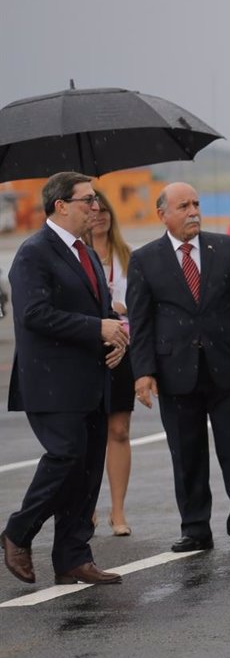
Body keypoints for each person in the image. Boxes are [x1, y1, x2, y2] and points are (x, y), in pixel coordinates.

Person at [128, 183, 230, 553]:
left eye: (196, 204)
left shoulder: (226, 249)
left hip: (226, 366)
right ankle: (195, 527)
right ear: (163, 214)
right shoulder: (146, 259)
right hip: (175, 372)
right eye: (183, 206)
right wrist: (142, 372)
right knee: (186, 453)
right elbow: (141, 321)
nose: (193, 211)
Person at [2, 173, 128, 587]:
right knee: (68, 456)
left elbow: (99, 312)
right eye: (88, 200)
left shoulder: (87, 253)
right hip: (51, 382)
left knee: (88, 468)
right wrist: (97, 328)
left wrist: (115, 335)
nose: (96, 207)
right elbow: (34, 315)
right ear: (61, 205)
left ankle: (73, 555)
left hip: (90, 379)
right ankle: (18, 532)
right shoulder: (33, 253)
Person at [84, 191, 135, 537]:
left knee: (118, 431)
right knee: (87, 435)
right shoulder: (75, 254)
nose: (100, 215)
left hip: (122, 348)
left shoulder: (128, 256)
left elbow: (142, 304)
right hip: (86, 349)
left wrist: (124, 320)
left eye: (105, 210)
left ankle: (118, 512)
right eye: (93, 209)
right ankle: (85, 508)